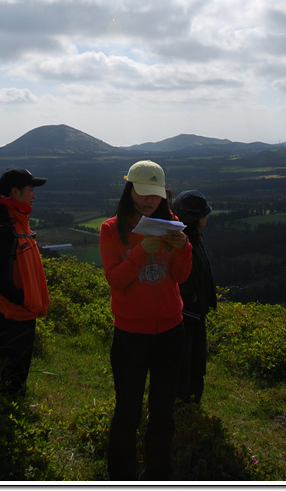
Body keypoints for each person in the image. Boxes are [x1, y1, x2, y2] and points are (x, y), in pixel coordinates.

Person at [99, 160, 192, 481]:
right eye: (143, 194)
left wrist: (184, 248)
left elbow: (180, 275)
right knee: (128, 411)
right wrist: (141, 251)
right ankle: (121, 477)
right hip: (130, 335)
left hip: (170, 331)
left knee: (163, 411)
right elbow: (116, 280)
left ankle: (158, 474)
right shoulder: (112, 229)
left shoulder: (172, 224)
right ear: (130, 190)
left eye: (155, 195)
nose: (149, 201)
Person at [0, 167, 50, 397]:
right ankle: (6, 418)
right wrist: (26, 301)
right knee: (12, 377)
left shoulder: (21, 225)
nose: (34, 196)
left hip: (23, 314)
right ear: (15, 192)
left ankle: (11, 412)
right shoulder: (5, 231)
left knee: (19, 372)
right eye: (30, 190)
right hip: (11, 316)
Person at [172, 190, 217, 404]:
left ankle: (188, 400)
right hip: (188, 315)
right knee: (187, 362)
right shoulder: (186, 243)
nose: (206, 218)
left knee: (194, 361)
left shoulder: (191, 239)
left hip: (193, 313)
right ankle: (185, 402)